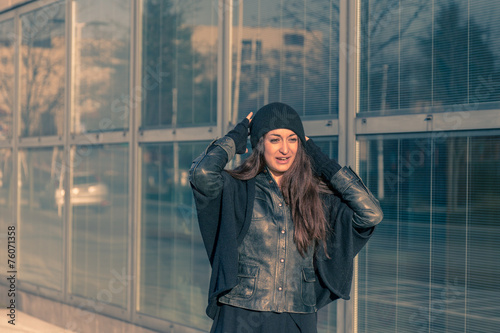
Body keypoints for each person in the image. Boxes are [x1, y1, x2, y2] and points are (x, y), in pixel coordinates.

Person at [189, 102, 383, 333]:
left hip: (296, 318)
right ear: (260, 144)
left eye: (292, 139)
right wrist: (235, 137)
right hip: (240, 313)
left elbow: (371, 213)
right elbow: (202, 174)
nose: (285, 149)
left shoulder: (317, 197)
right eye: (275, 139)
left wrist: (321, 161)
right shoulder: (237, 189)